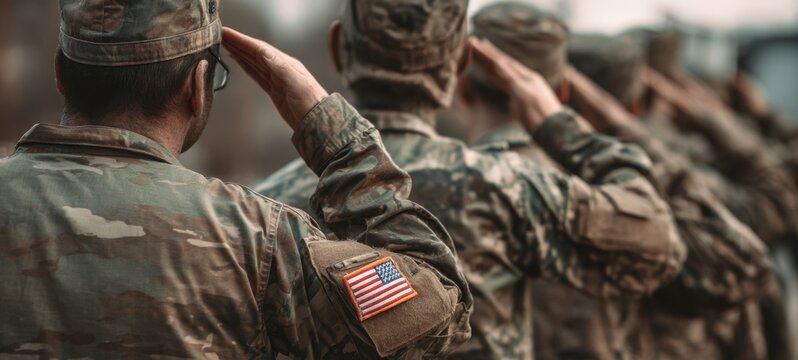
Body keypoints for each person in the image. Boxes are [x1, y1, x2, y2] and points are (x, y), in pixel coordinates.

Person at [0, 1, 474, 358]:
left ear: (60, 72)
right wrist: (331, 131)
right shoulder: (259, 242)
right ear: (197, 87)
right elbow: (438, 305)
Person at [254, 0, 686, 359]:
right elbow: (657, 238)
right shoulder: (509, 186)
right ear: (461, 62)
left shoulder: (265, 209)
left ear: (337, 47)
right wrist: (560, 127)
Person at [455, 4, 773, 359]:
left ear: (462, 85)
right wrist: (612, 129)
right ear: (562, 94)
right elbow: (747, 266)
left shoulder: (414, 185)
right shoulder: (618, 199)